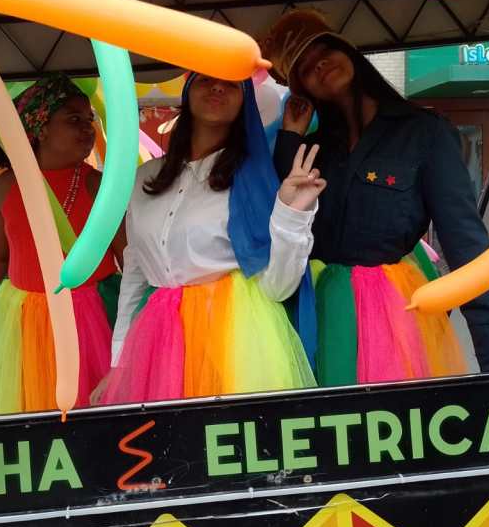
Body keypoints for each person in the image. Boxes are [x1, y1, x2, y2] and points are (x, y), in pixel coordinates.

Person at [261, 9, 489, 384]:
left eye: (325, 49)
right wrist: (290, 136)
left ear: (348, 51)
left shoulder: (425, 134)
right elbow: (278, 226)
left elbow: (471, 257)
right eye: (305, 68)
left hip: (390, 330)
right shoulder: (312, 150)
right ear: (302, 90)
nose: (318, 64)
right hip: (311, 323)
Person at [98, 73, 324, 404]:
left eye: (231, 83)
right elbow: (135, 271)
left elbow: (278, 288)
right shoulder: (144, 177)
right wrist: (119, 362)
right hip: (158, 341)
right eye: (206, 79)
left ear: (244, 100)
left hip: (234, 342)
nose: (218, 86)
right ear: (188, 90)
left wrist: (293, 215)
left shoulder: (252, 180)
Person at [0, 73, 123, 415]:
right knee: (33, 411)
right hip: (28, 321)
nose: (87, 128)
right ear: (40, 129)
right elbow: (0, 261)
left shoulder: (97, 185)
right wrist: (21, 310)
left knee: (94, 411)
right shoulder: (5, 187)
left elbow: (128, 257)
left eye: (89, 119)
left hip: (90, 320)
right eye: (73, 119)